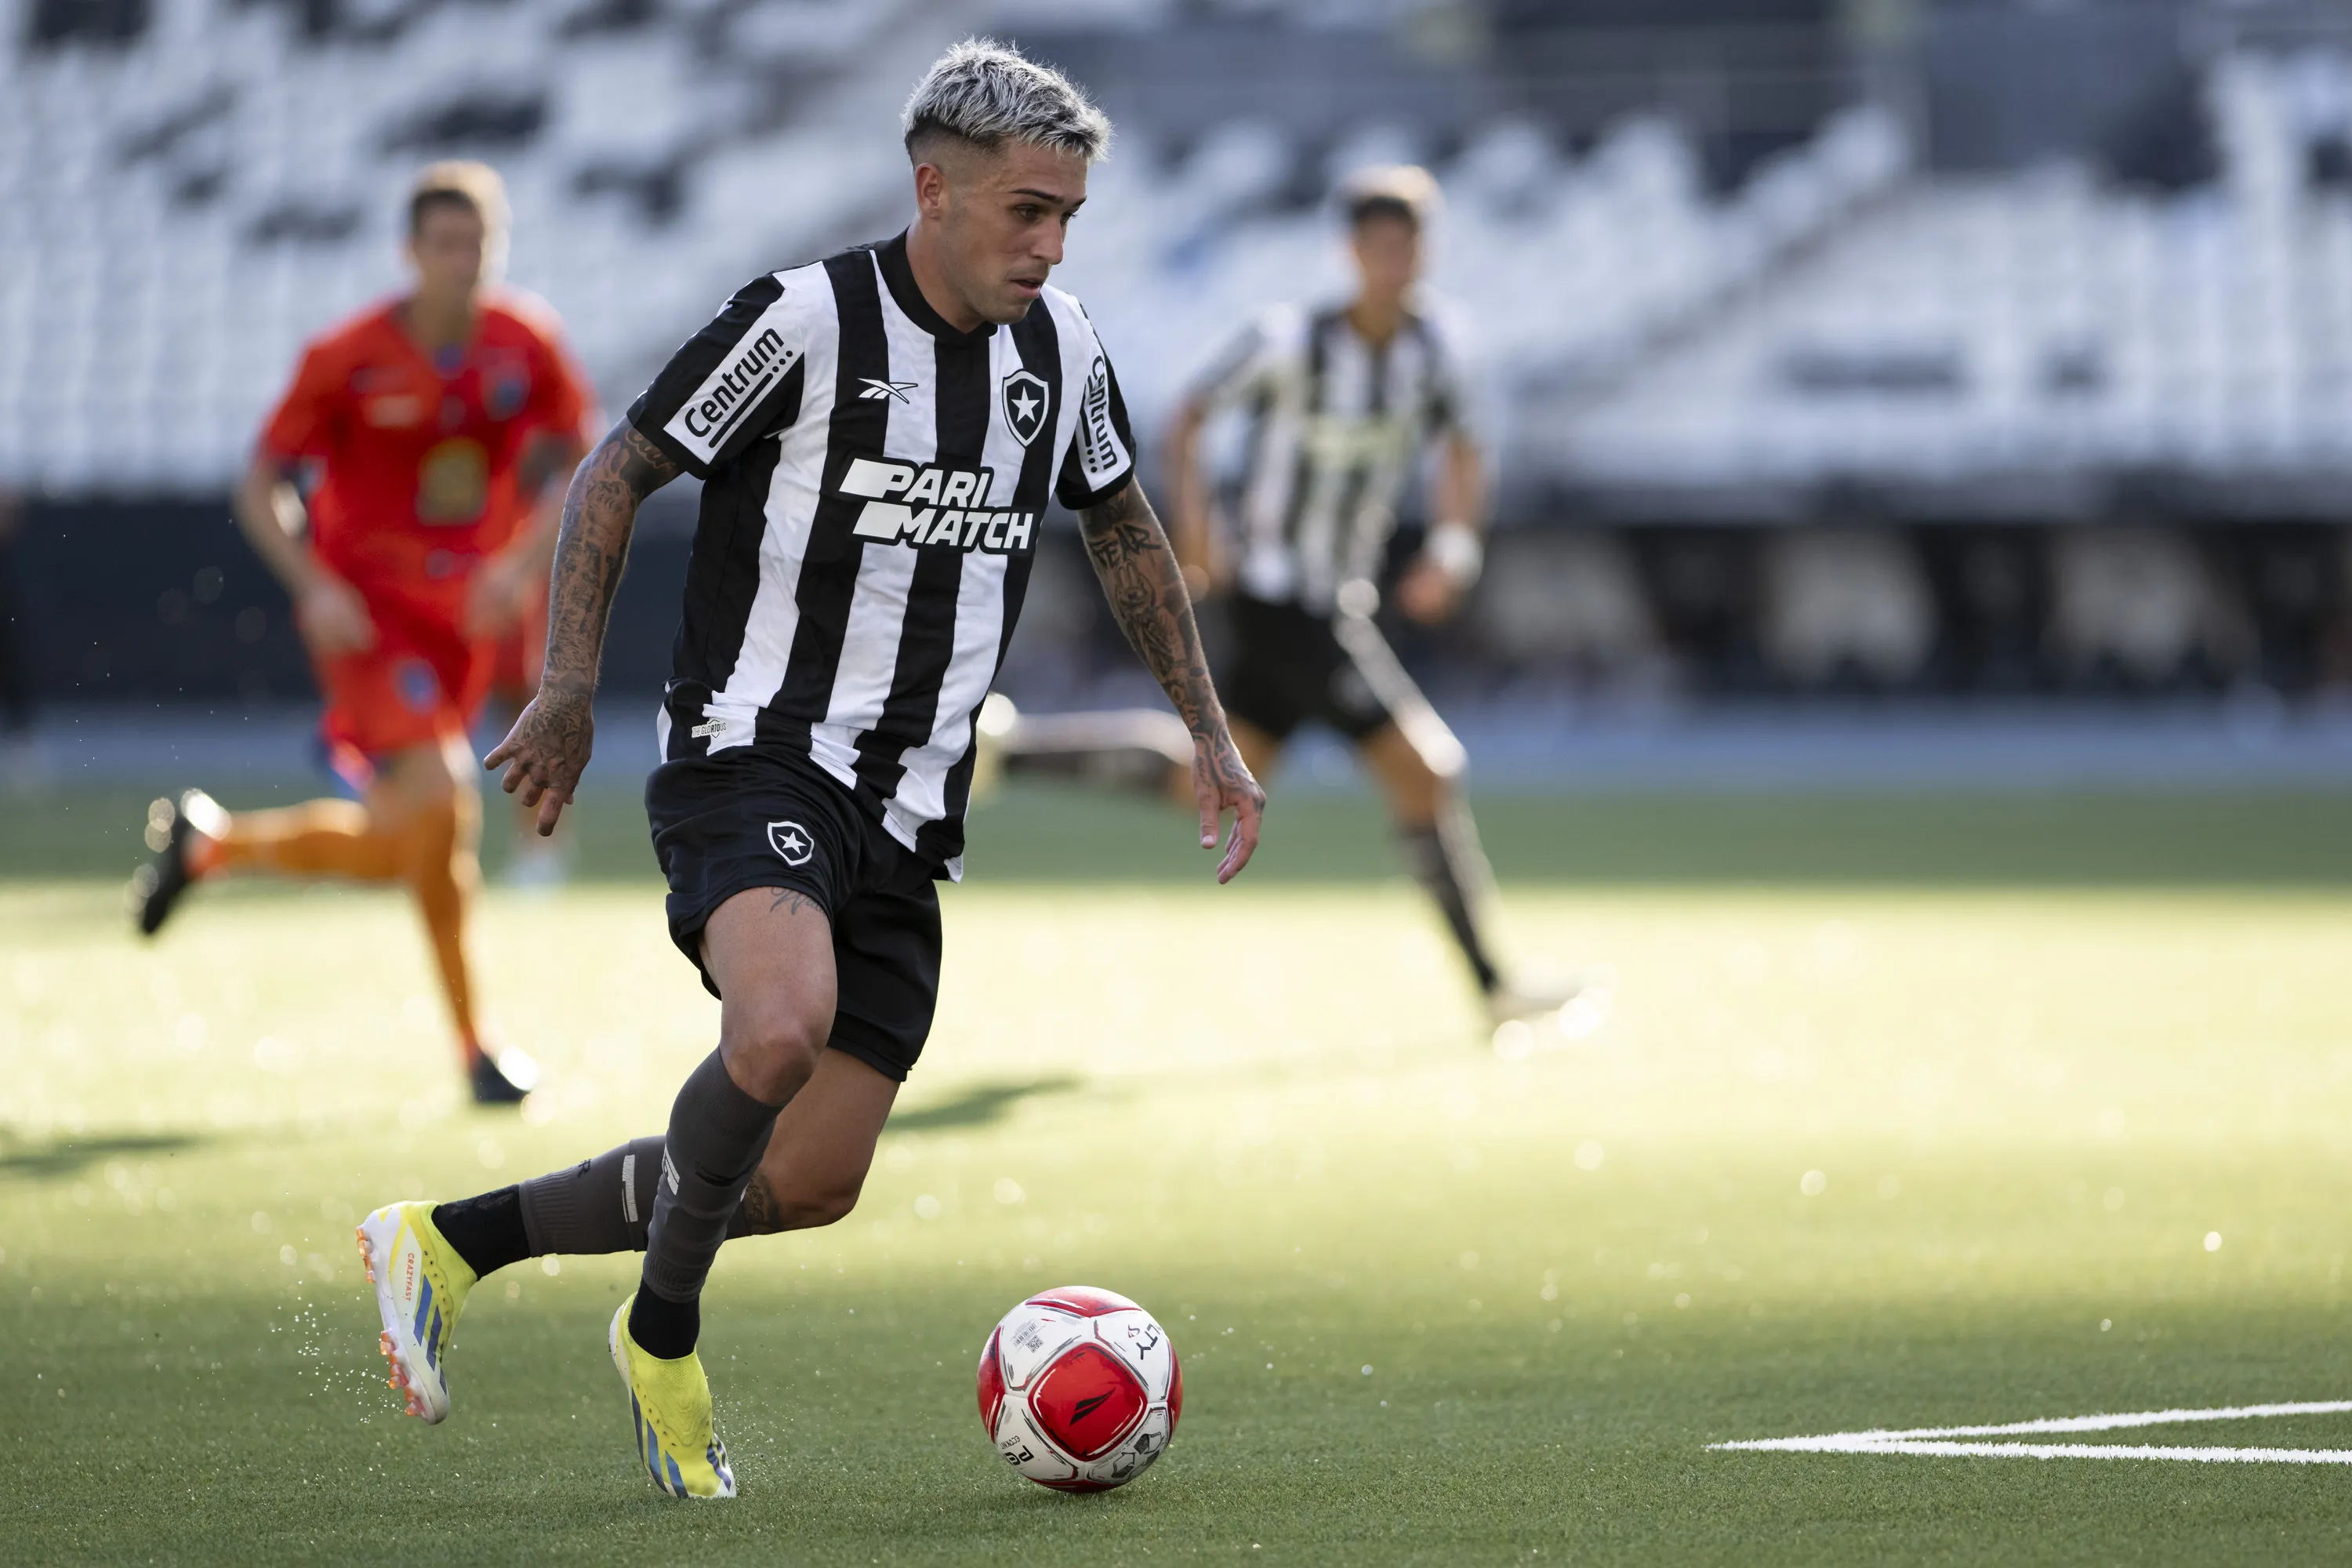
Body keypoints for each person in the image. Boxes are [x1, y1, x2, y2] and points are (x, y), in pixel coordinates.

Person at [353, 41, 1264, 1501]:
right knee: (778, 1032)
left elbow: (1126, 529)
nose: (1049, 243)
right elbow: (617, 471)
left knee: (813, 1180)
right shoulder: (805, 321)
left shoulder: (1064, 353)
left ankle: (454, 1240)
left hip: (912, 810)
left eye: (1068, 218)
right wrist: (569, 689)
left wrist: (1211, 734)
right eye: (1027, 210)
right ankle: (662, 1337)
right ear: (934, 189)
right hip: (753, 753)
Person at [993, 165, 1570, 1030]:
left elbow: (1463, 448)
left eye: (1408, 246)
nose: (1393, 263)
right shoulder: (1288, 341)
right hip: (1277, 596)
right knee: (1427, 770)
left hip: (1338, 597)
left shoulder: (1437, 349)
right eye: (1378, 246)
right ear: (1352, 251)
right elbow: (1189, 415)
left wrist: (1453, 546)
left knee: (1205, 777)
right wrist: (1197, 531)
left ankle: (1005, 752)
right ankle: (1494, 988)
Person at [126, 161, 596, 1103]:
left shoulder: (524, 341)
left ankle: (213, 847)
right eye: (447, 245)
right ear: (410, 252)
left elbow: (588, 460)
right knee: (446, 801)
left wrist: (514, 562)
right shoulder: (347, 355)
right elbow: (261, 485)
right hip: (370, 620)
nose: (466, 262)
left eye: (481, 244)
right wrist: (313, 584)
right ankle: (479, 1047)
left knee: (414, 844)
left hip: (460, 620)